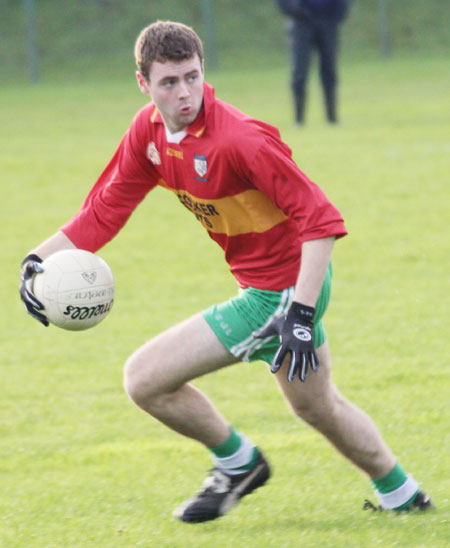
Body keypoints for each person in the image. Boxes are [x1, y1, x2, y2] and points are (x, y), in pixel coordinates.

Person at [20, 20, 433, 523]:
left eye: (192, 77)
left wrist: (299, 314)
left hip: (282, 291)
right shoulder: (148, 133)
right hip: (274, 287)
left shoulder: (239, 140)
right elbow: (104, 210)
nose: (185, 92)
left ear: (202, 70)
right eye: (169, 82)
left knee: (144, 380)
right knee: (317, 406)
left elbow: (321, 221)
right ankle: (403, 494)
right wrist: (35, 263)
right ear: (143, 84)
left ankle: (239, 464)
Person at [276, 0, 350, 124]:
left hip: (328, 19)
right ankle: (299, 119)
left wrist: (340, 12)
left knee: (329, 69)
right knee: (299, 71)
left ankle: (332, 118)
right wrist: (293, 10)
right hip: (301, 22)